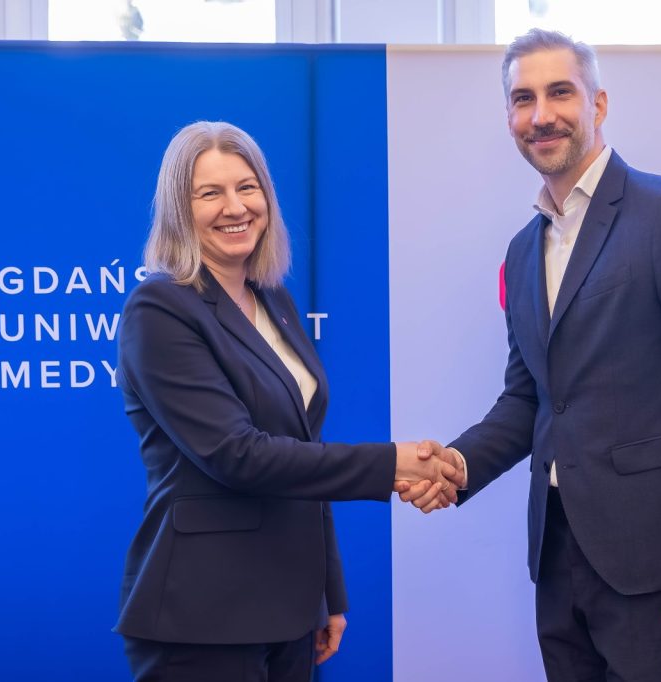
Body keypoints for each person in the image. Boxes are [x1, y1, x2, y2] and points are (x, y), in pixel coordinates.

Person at [399, 29, 661, 681]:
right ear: (509, 117)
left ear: (598, 104)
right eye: (523, 99)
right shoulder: (522, 250)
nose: (541, 115)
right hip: (559, 562)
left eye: (560, 93)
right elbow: (530, 400)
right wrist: (456, 465)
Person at [113, 121, 456, 682]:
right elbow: (237, 455)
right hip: (203, 613)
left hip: (290, 609)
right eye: (210, 193)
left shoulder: (273, 299)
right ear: (179, 209)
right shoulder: (160, 309)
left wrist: (327, 592)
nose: (235, 207)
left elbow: (302, 447)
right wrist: (394, 462)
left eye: (247, 187)